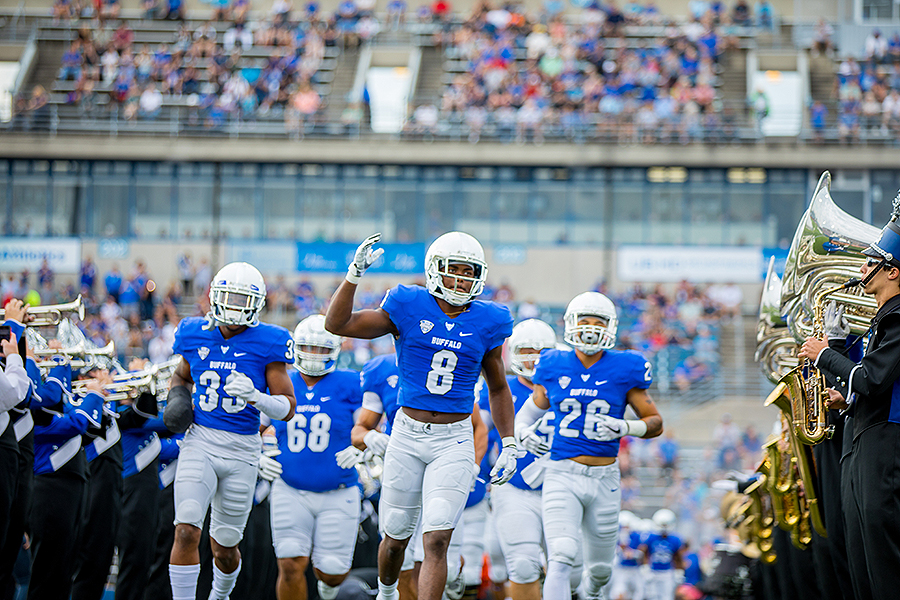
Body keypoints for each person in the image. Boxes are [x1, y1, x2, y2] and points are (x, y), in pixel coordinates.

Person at [324, 232, 519, 600]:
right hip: (407, 434)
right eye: (454, 269)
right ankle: (387, 593)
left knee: (438, 537)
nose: (461, 278)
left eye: (469, 271)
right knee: (396, 536)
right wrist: (354, 275)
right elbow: (337, 325)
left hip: (454, 437)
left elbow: (498, 387)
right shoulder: (409, 304)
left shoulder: (489, 319)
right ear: (434, 270)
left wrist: (509, 442)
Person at [513, 291, 663, 600]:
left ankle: (593, 593)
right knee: (561, 555)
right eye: (585, 321)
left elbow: (655, 422)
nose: (591, 328)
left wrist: (627, 427)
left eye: (598, 322)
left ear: (610, 327)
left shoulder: (626, 366)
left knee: (600, 571)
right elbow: (528, 413)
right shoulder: (553, 363)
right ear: (571, 324)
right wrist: (522, 432)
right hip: (561, 473)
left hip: (604, 478)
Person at [165, 262, 297, 600]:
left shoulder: (269, 341)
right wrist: (178, 397)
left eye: (243, 299)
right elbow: (181, 375)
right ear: (215, 297)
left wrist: (256, 397)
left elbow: (288, 407)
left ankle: (220, 595)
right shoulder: (194, 332)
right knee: (186, 529)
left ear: (257, 303)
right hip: (201, 441)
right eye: (230, 298)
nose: (235, 307)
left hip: (242, 449)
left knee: (225, 547)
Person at [798, 207, 900, 600]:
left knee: (881, 556)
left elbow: (873, 379)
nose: (862, 268)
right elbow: (872, 386)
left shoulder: (898, 318)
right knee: (858, 553)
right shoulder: (884, 319)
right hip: (864, 437)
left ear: (893, 272)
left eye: (872, 262)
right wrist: (847, 403)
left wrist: (826, 354)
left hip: (885, 442)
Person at [269, 314, 362, 600]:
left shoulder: (351, 382)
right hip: (290, 487)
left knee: (332, 571)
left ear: (335, 350)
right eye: (308, 347)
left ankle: (328, 588)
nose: (313, 354)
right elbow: (255, 425)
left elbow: (367, 425)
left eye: (321, 348)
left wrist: (362, 447)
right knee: (289, 563)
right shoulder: (281, 381)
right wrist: (258, 453)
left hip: (338, 490)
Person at [490, 319, 558, 600]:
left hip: (562, 486)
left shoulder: (566, 385)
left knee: (572, 569)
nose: (533, 359)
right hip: (515, 487)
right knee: (522, 564)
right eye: (527, 351)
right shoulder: (499, 389)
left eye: (540, 352)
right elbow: (478, 432)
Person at [641, 509, 684, 600]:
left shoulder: (675, 539)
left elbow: (678, 557)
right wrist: (645, 567)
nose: (664, 527)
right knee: (652, 596)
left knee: (667, 596)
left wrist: (679, 571)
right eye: (662, 524)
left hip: (667, 572)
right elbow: (645, 553)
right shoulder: (651, 537)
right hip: (653, 571)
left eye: (666, 525)